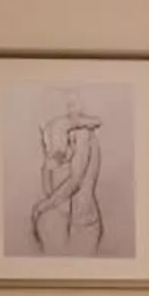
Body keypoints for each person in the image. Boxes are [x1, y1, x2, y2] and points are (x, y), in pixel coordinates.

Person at [26, 99, 107, 255]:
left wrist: (43, 206)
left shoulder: (84, 136)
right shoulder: (63, 131)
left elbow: (75, 182)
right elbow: (51, 184)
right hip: (70, 219)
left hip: (84, 222)